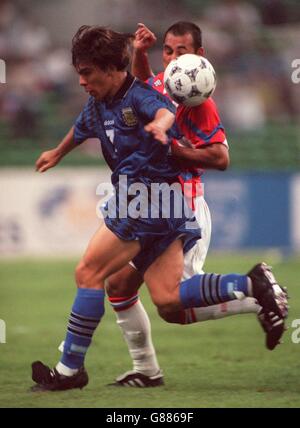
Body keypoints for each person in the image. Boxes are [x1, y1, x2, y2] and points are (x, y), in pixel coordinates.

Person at [31, 25, 287, 392]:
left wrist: (162, 127)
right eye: (168, 51)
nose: (82, 81)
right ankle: (251, 285)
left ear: (108, 68)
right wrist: (57, 152)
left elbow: (164, 111)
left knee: (88, 272)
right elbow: (83, 125)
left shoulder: (154, 98)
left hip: (145, 200)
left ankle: (70, 370)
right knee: (165, 299)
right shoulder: (104, 99)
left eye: (87, 73)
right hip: (166, 203)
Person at [105, 22, 289, 387]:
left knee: (170, 302)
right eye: (168, 51)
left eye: (182, 51)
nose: (173, 58)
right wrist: (140, 54)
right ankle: (147, 371)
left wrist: (174, 150)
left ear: (199, 57)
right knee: (121, 287)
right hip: (154, 205)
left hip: (181, 209)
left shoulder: (200, 102)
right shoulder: (164, 86)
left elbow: (221, 158)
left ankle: (255, 288)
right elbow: (148, 85)